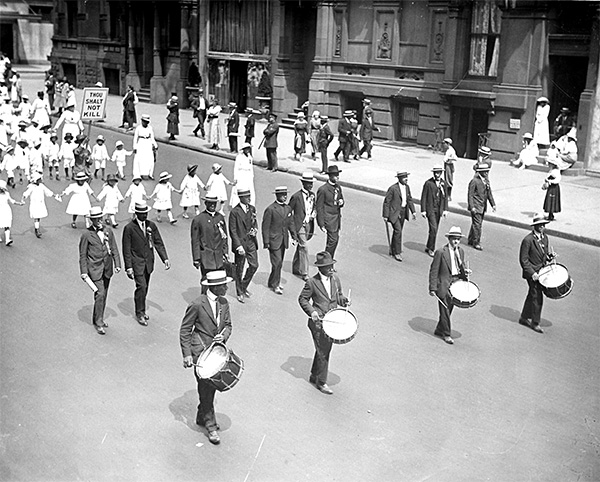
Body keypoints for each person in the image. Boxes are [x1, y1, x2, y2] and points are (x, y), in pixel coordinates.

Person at [179, 270, 233, 445]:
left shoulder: (224, 303)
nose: (226, 287)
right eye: (224, 285)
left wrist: (223, 336)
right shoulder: (196, 304)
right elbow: (185, 330)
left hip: (216, 353)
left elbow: (229, 325)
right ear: (215, 287)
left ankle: (202, 416)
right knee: (206, 387)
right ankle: (211, 426)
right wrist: (187, 354)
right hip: (200, 352)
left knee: (211, 387)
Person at [298, 251, 350, 395]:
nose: (331, 269)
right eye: (328, 267)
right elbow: (302, 299)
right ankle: (321, 382)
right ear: (320, 268)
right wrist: (312, 312)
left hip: (332, 321)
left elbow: (338, 296)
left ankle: (314, 375)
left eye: (332, 265)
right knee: (324, 351)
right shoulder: (312, 282)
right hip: (318, 323)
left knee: (323, 350)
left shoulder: (335, 279)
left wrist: (344, 301)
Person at [122, 201, 170, 325]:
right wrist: (128, 267)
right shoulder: (129, 228)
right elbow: (126, 249)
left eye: (146, 213)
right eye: (142, 213)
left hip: (148, 263)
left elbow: (158, 242)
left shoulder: (151, 226)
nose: (145, 215)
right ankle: (140, 313)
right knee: (141, 286)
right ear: (137, 213)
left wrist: (165, 258)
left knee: (145, 287)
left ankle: (142, 309)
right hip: (136, 263)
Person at [79, 206, 121, 335]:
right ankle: (98, 323)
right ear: (92, 220)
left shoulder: (108, 231)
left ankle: (99, 318)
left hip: (107, 268)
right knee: (100, 294)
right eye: (96, 219)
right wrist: (84, 271)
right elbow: (83, 255)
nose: (99, 221)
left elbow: (114, 247)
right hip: (95, 269)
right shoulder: (86, 235)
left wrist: (117, 263)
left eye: (100, 218)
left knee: (104, 295)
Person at [428, 226, 468, 345]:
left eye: (458, 239)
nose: (456, 241)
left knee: (449, 308)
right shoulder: (441, 252)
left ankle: (439, 329)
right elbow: (434, 270)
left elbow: (461, 267)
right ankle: (447, 333)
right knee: (444, 309)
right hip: (444, 283)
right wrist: (432, 287)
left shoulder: (460, 251)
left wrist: (465, 272)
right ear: (449, 239)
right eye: (454, 239)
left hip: (456, 282)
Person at [518, 214, 554, 334]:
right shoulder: (527, 240)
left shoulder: (545, 238)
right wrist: (532, 273)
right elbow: (523, 260)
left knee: (532, 294)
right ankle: (535, 322)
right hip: (532, 273)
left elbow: (544, 254)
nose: (543, 227)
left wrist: (549, 257)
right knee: (537, 296)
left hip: (541, 272)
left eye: (544, 225)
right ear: (535, 226)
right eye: (541, 225)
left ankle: (524, 317)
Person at [261, 186, 296, 295]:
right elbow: (265, 227)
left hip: (283, 240)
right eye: (282, 195)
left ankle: (272, 281)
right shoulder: (271, 209)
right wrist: (266, 242)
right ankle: (276, 285)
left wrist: (294, 236)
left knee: (278, 264)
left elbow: (291, 223)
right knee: (277, 263)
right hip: (273, 240)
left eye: (286, 194)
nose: (285, 197)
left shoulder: (288, 208)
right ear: (277, 196)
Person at [191, 193, 228, 292]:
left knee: (218, 282)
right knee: (206, 281)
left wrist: (225, 252)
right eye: (210, 203)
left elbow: (224, 237)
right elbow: (195, 240)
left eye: (214, 203)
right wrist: (196, 258)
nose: (213, 205)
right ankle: (204, 301)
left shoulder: (220, 218)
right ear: (206, 203)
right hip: (206, 257)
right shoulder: (198, 220)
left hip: (219, 257)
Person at [228, 189, 259, 303]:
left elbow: (254, 222)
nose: (249, 198)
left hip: (251, 242)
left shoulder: (252, 209)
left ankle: (243, 286)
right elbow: (233, 231)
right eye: (246, 196)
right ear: (240, 198)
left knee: (254, 265)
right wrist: (238, 246)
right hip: (240, 244)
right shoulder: (234, 212)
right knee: (239, 269)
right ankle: (239, 292)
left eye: (249, 196)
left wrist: (255, 230)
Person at [382, 171, 416, 262]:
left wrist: (413, 212)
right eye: (404, 177)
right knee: (398, 231)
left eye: (406, 177)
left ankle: (393, 250)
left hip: (403, 212)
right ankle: (397, 252)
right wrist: (385, 215)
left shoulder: (407, 187)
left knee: (398, 232)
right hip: (394, 213)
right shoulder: (393, 188)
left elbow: (409, 199)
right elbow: (387, 202)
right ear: (399, 178)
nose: (406, 179)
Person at [289, 172, 316, 280]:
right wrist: (291, 228)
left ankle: (296, 267)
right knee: (304, 246)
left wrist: (313, 213)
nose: (310, 185)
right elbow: (289, 211)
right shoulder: (296, 196)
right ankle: (304, 273)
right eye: (308, 183)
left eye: (311, 183)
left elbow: (313, 207)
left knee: (301, 245)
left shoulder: (313, 195)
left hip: (308, 224)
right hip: (299, 224)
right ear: (303, 183)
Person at [316, 165, 344, 258]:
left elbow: (341, 200)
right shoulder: (323, 189)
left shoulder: (338, 188)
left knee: (333, 241)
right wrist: (321, 224)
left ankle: (328, 261)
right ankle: (326, 261)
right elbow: (319, 207)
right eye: (335, 175)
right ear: (330, 176)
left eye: (338, 175)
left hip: (336, 219)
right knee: (333, 241)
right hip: (328, 219)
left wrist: (341, 202)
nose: (337, 177)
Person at [420, 164, 448, 257]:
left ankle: (428, 246)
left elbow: (445, 197)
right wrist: (423, 210)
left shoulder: (444, 183)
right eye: (436, 173)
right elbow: (423, 197)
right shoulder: (428, 183)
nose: (437, 175)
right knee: (434, 228)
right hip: (430, 209)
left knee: (434, 230)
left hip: (438, 210)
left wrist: (445, 209)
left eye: (439, 173)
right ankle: (431, 249)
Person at [467, 162, 496, 250]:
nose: (487, 173)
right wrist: (472, 206)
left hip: (483, 207)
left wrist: (493, 204)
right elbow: (470, 195)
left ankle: (471, 239)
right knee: (478, 225)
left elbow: (489, 193)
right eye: (485, 171)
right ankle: (476, 242)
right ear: (480, 172)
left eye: (487, 171)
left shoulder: (486, 181)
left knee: (476, 224)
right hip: (476, 207)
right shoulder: (474, 181)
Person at [21, 172, 59, 238]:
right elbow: (26, 194)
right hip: (35, 204)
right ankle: (37, 230)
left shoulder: (41, 186)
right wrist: (23, 199)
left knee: (39, 217)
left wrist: (54, 195)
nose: (40, 180)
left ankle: (37, 227)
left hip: (41, 203)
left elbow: (48, 191)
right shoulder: (31, 187)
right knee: (36, 217)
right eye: (39, 179)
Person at [229, 142, 255, 208]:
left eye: (248, 148)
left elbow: (251, 167)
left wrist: (252, 175)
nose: (247, 150)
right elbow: (236, 167)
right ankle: (236, 204)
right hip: (241, 174)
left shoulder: (249, 157)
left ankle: (250, 204)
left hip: (248, 175)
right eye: (246, 149)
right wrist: (236, 177)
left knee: (250, 189)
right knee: (239, 188)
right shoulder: (239, 157)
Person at [132, 115, 158, 179]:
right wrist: (135, 147)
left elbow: (152, 137)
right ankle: (139, 174)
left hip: (148, 143)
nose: (145, 123)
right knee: (140, 159)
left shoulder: (150, 128)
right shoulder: (138, 128)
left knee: (150, 159)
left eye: (147, 122)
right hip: (141, 143)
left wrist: (155, 144)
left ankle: (150, 174)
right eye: (144, 121)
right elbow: (135, 138)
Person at [0, 179, 24, 245]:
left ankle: (7, 240)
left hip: (6, 210)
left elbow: (12, 201)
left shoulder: (6, 194)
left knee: (7, 224)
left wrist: (19, 203)